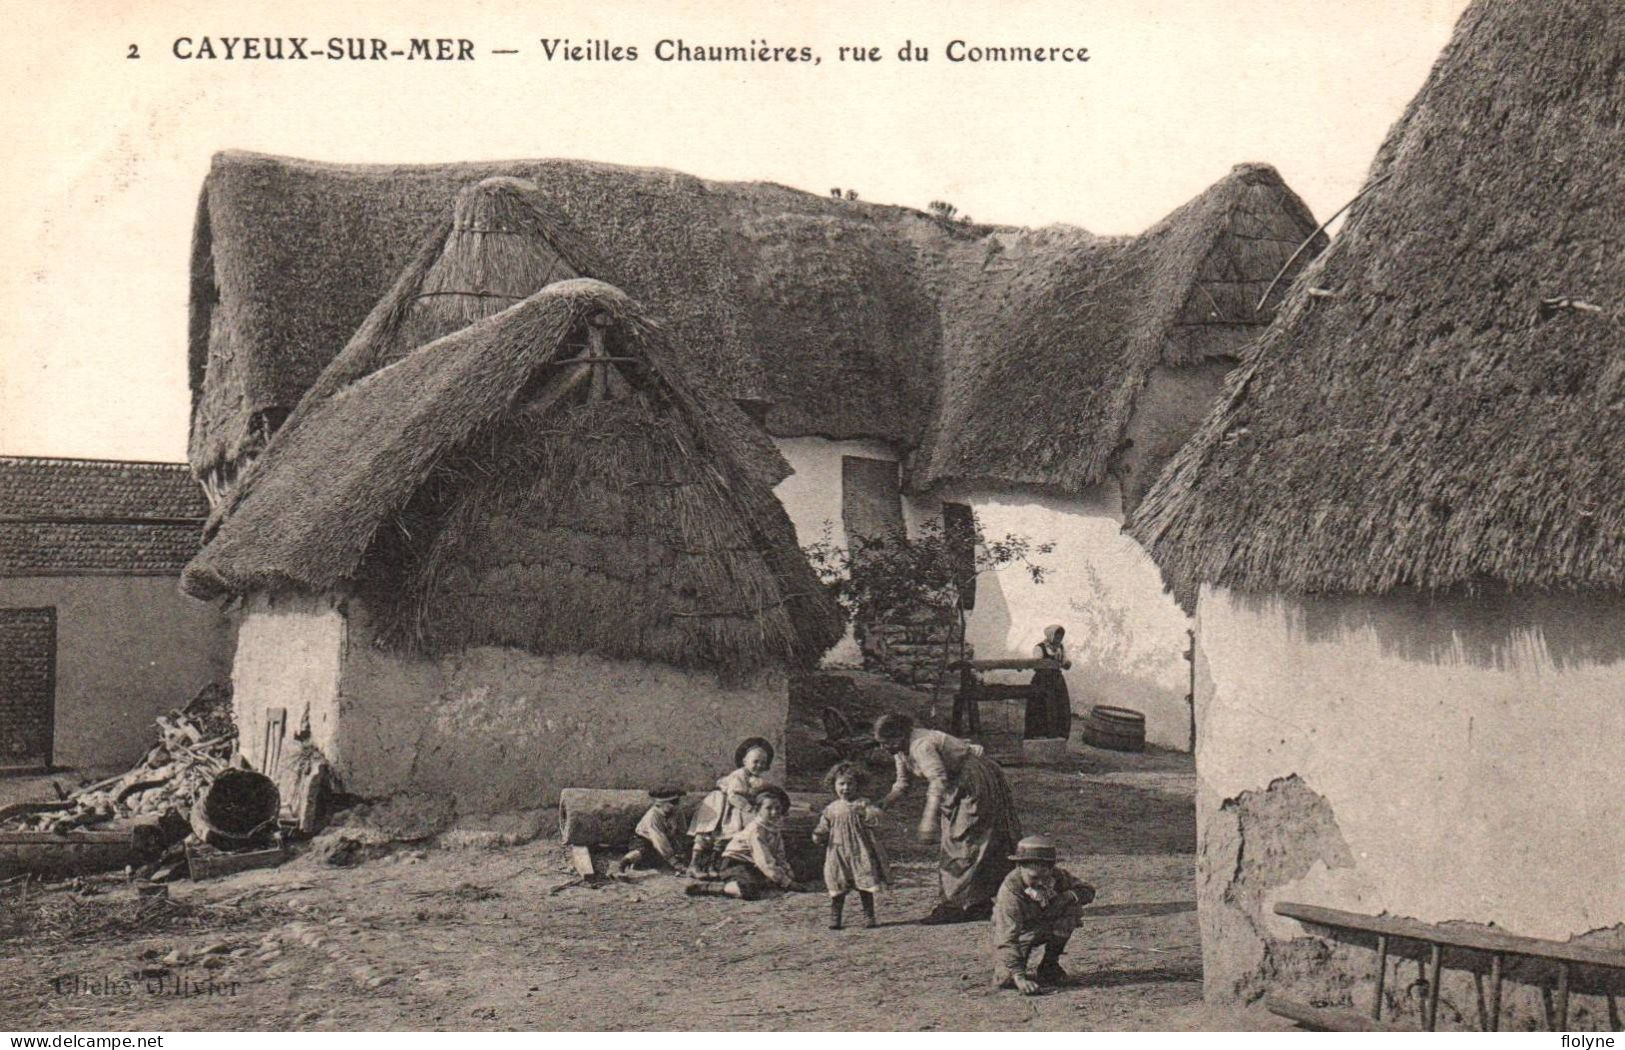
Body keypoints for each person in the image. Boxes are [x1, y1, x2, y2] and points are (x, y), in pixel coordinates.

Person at [875, 713, 1022, 924]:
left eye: (886, 743)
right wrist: (883, 804)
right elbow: (902, 784)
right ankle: (974, 902)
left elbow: (937, 781)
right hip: (956, 785)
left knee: (967, 840)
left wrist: (928, 819)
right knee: (958, 841)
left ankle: (958, 905)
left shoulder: (921, 745)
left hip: (973, 781)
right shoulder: (900, 751)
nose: (883, 748)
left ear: (898, 737)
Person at [991, 835, 1096, 994]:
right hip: (1019, 935)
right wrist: (1019, 977)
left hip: (1047, 924)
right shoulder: (1010, 892)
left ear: (1052, 868)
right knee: (1006, 980)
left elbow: (1088, 891)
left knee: (1072, 910)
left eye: (1045, 876)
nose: (1040, 882)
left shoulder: (1060, 876)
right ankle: (1016, 971)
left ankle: (1049, 966)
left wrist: (1067, 896)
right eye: (1034, 877)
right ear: (1020, 866)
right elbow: (1006, 938)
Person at [685, 785, 799, 900]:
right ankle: (713, 888)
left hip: (751, 865)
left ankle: (750, 881)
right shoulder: (755, 831)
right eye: (768, 808)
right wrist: (787, 882)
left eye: (777, 808)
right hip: (733, 863)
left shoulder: (773, 828)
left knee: (772, 882)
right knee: (750, 891)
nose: (774, 812)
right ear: (757, 810)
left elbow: (779, 855)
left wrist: (788, 873)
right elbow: (763, 859)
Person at [813, 761, 890, 929]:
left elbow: (877, 818)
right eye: (841, 784)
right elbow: (823, 826)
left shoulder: (863, 804)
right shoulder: (831, 808)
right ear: (834, 785)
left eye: (850, 784)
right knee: (837, 884)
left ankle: (869, 916)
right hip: (838, 851)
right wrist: (818, 834)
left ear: (858, 785)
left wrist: (867, 813)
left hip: (859, 850)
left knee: (864, 884)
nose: (846, 788)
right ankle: (835, 917)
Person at [687, 737, 775, 875]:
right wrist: (749, 809)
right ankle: (694, 865)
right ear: (745, 761)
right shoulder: (738, 775)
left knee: (724, 836)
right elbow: (734, 796)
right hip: (719, 804)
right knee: (707, 833)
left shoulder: (754, 778)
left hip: (732, 806)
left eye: (763, 763)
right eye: (755, 762)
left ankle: (711, 866)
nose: (759, 766)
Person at [616, 787, 688, 874]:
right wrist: (675, 862)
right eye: (673, 802)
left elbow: (682, 831)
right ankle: (624, 863)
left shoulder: (677, 812)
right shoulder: (653, 816)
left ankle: (644, 863)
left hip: (666, 840)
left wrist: (680, 849)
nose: (676, 805)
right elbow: (659, 839)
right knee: (642, 850)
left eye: (677, 801)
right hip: (644, 839)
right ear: (661, 803)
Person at [1028, 624, 1073, 740]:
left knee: (1059, 706)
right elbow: (1036, 664)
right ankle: (1039, 734)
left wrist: (1067, 664)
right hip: (1042, 680)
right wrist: (1047, 664)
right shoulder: (1040, 648)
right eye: (1057, 637)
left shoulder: (1060, 648)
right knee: (1042, 706)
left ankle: (1057, 735)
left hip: (1057, 681)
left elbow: (1064, 663)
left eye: (1060, 637)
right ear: (1050, 636)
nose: (1059, 640)